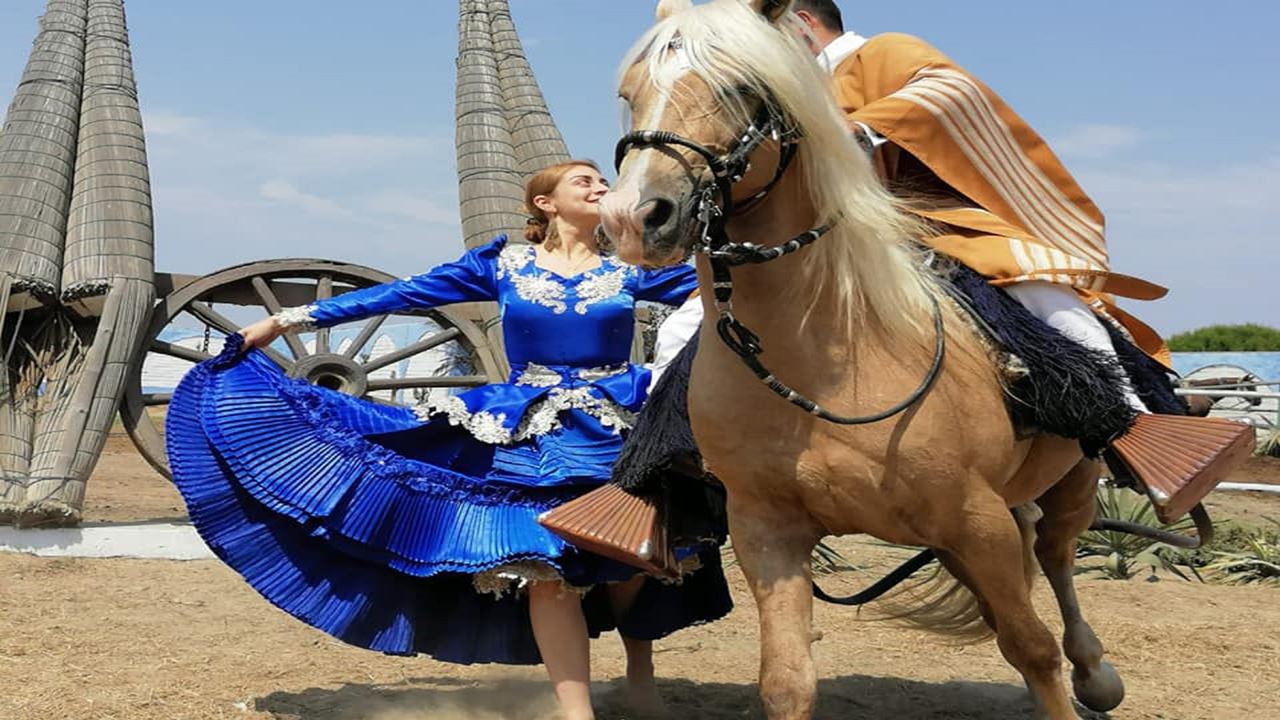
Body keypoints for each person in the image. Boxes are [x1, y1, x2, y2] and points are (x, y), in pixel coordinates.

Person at [168, 159, 732, 720]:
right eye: (584, 181)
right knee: (545, 566)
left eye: (603, 183)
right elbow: (400, 295)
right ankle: (575, 711)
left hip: (619, 424)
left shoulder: (633, 269)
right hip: (526, 430)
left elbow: (725, 279)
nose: (600, 188)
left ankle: (640, 670)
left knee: (633, 555)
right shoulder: (503, 266)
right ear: (546, 203)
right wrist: (286, 321)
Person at [647, 0, 1244, 517]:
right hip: (823, 252)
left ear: (799, 26)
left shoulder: (880, 53)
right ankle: (657, 476)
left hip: (930, 227)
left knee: (1040, 290)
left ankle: (1132, 428)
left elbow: (947, 91)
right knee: (685, 324)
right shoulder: (780, 94)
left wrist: (863, 130)